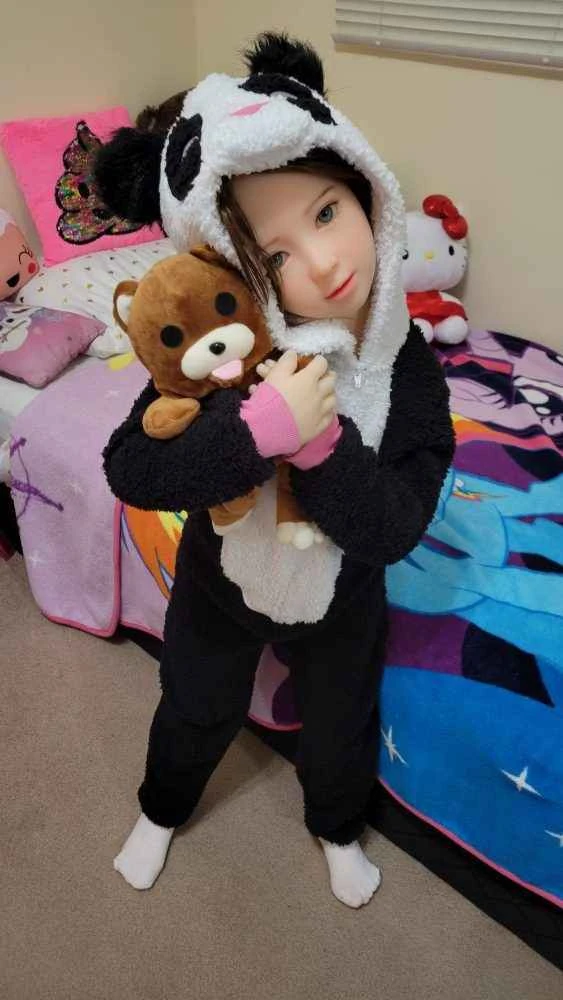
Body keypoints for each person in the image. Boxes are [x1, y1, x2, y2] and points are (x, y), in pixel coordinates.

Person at [95, 31, 455, 908]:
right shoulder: (227, 345)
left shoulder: (406, 369)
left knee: (339, 720)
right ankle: (161, 809)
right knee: (193, 701)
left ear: (367, 190)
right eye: (278, 255)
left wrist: (319, 449)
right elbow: (132, 467)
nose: (325, 263)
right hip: (219, 586)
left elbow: (395, 525)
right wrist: (252, 432)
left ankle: (336, 826)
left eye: (327, 213)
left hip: (343, 597)